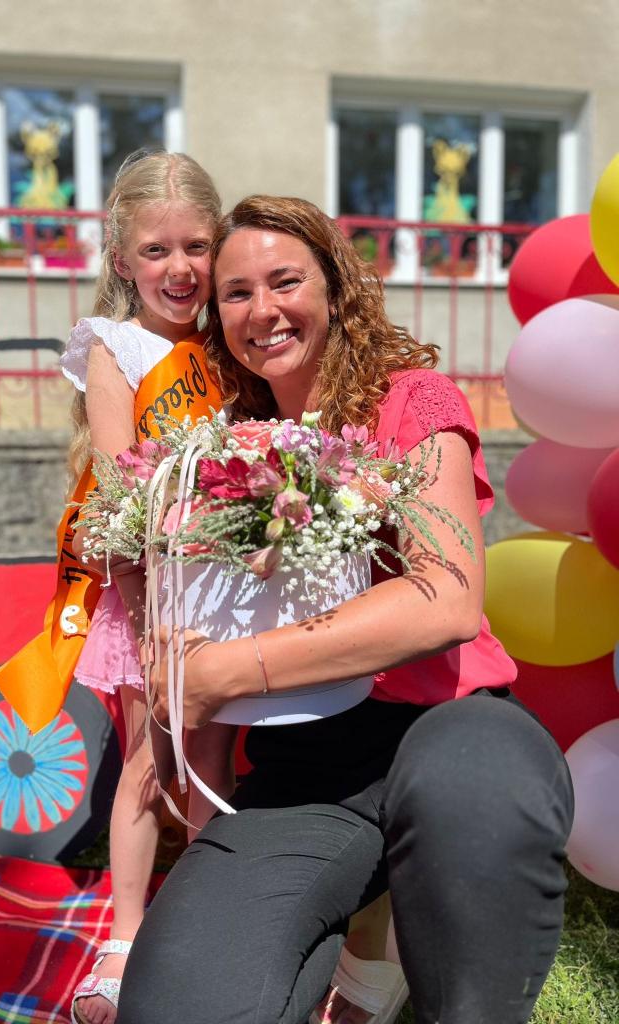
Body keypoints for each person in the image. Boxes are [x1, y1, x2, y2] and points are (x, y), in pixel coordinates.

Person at [115, 196, 574, 1024]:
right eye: (236, 293)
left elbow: (446, 599)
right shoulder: (224, 445)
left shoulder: (413, 400)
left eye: (285, 281)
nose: (263, 310)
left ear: (335, 287)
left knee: (474, 795)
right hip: (308, 762)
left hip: (451, 722)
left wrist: (225, 671)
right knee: (178, 1002)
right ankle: (360, 955)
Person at [62, 150, 237, 1024]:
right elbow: (117, 481)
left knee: (212, 765)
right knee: (149, 758)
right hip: (151, 588)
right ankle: (126, 936)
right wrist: (139, 599)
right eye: (157, 250)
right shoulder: (115, 347)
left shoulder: (232, 341)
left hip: (231, 590)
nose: (180, 268)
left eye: (196, 247)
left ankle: (210, 931)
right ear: (122, 259)